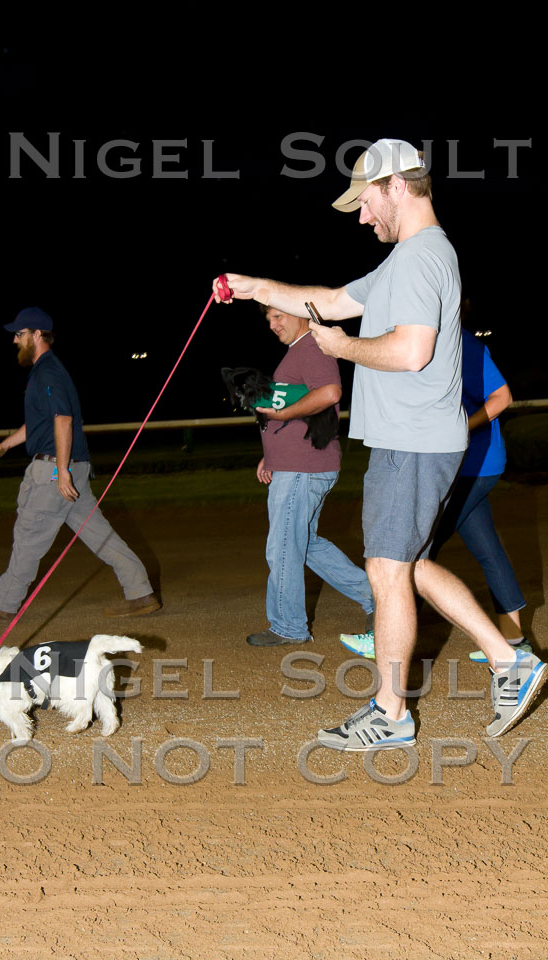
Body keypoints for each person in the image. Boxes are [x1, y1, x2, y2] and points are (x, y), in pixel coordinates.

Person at [213, 138, 546, 747]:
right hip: (410, 439)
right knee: (409, 566)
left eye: (366, 202)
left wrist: (343, 347)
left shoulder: (422, 256)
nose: (363, 217)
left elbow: (412, 351)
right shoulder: (404, 259)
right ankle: (509, 660)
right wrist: (257, 286)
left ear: (396, 185)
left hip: (413, 439)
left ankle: (391, 713)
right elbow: (331, 300)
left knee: (387, 570)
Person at [342, 324, 531, 664]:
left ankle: (382, 636)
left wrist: (459, 428)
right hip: (461, 465)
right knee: (487, 550)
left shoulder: (464, 344)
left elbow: (502, 397)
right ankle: (515, 640)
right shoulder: (426, 342)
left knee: (412, 550)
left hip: (475, 465)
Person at [0, 306, 160, 624]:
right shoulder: (46, 371)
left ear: (38, 335)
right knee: (99, 534)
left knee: (30, 534)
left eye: (20, 334)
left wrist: (61, 471)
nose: (15, 340)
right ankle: (140, 592)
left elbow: (62, 420)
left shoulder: (47, 372)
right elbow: (41, 423)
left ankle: (3, 604)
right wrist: (4, 445)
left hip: (55, 471)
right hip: (70, 468)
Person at [245, 305, 374, 646]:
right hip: (297, 464)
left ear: (299, 313)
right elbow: (299, 411)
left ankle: (288, 626)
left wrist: (282, 414)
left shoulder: (312, 346)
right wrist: (271, 454)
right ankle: (379, 596)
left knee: (283, 547)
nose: (273, 325)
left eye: (279, 316)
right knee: (306, 544)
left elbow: (330, 393)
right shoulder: (299, 351)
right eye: (269, 319)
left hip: (302, 469)